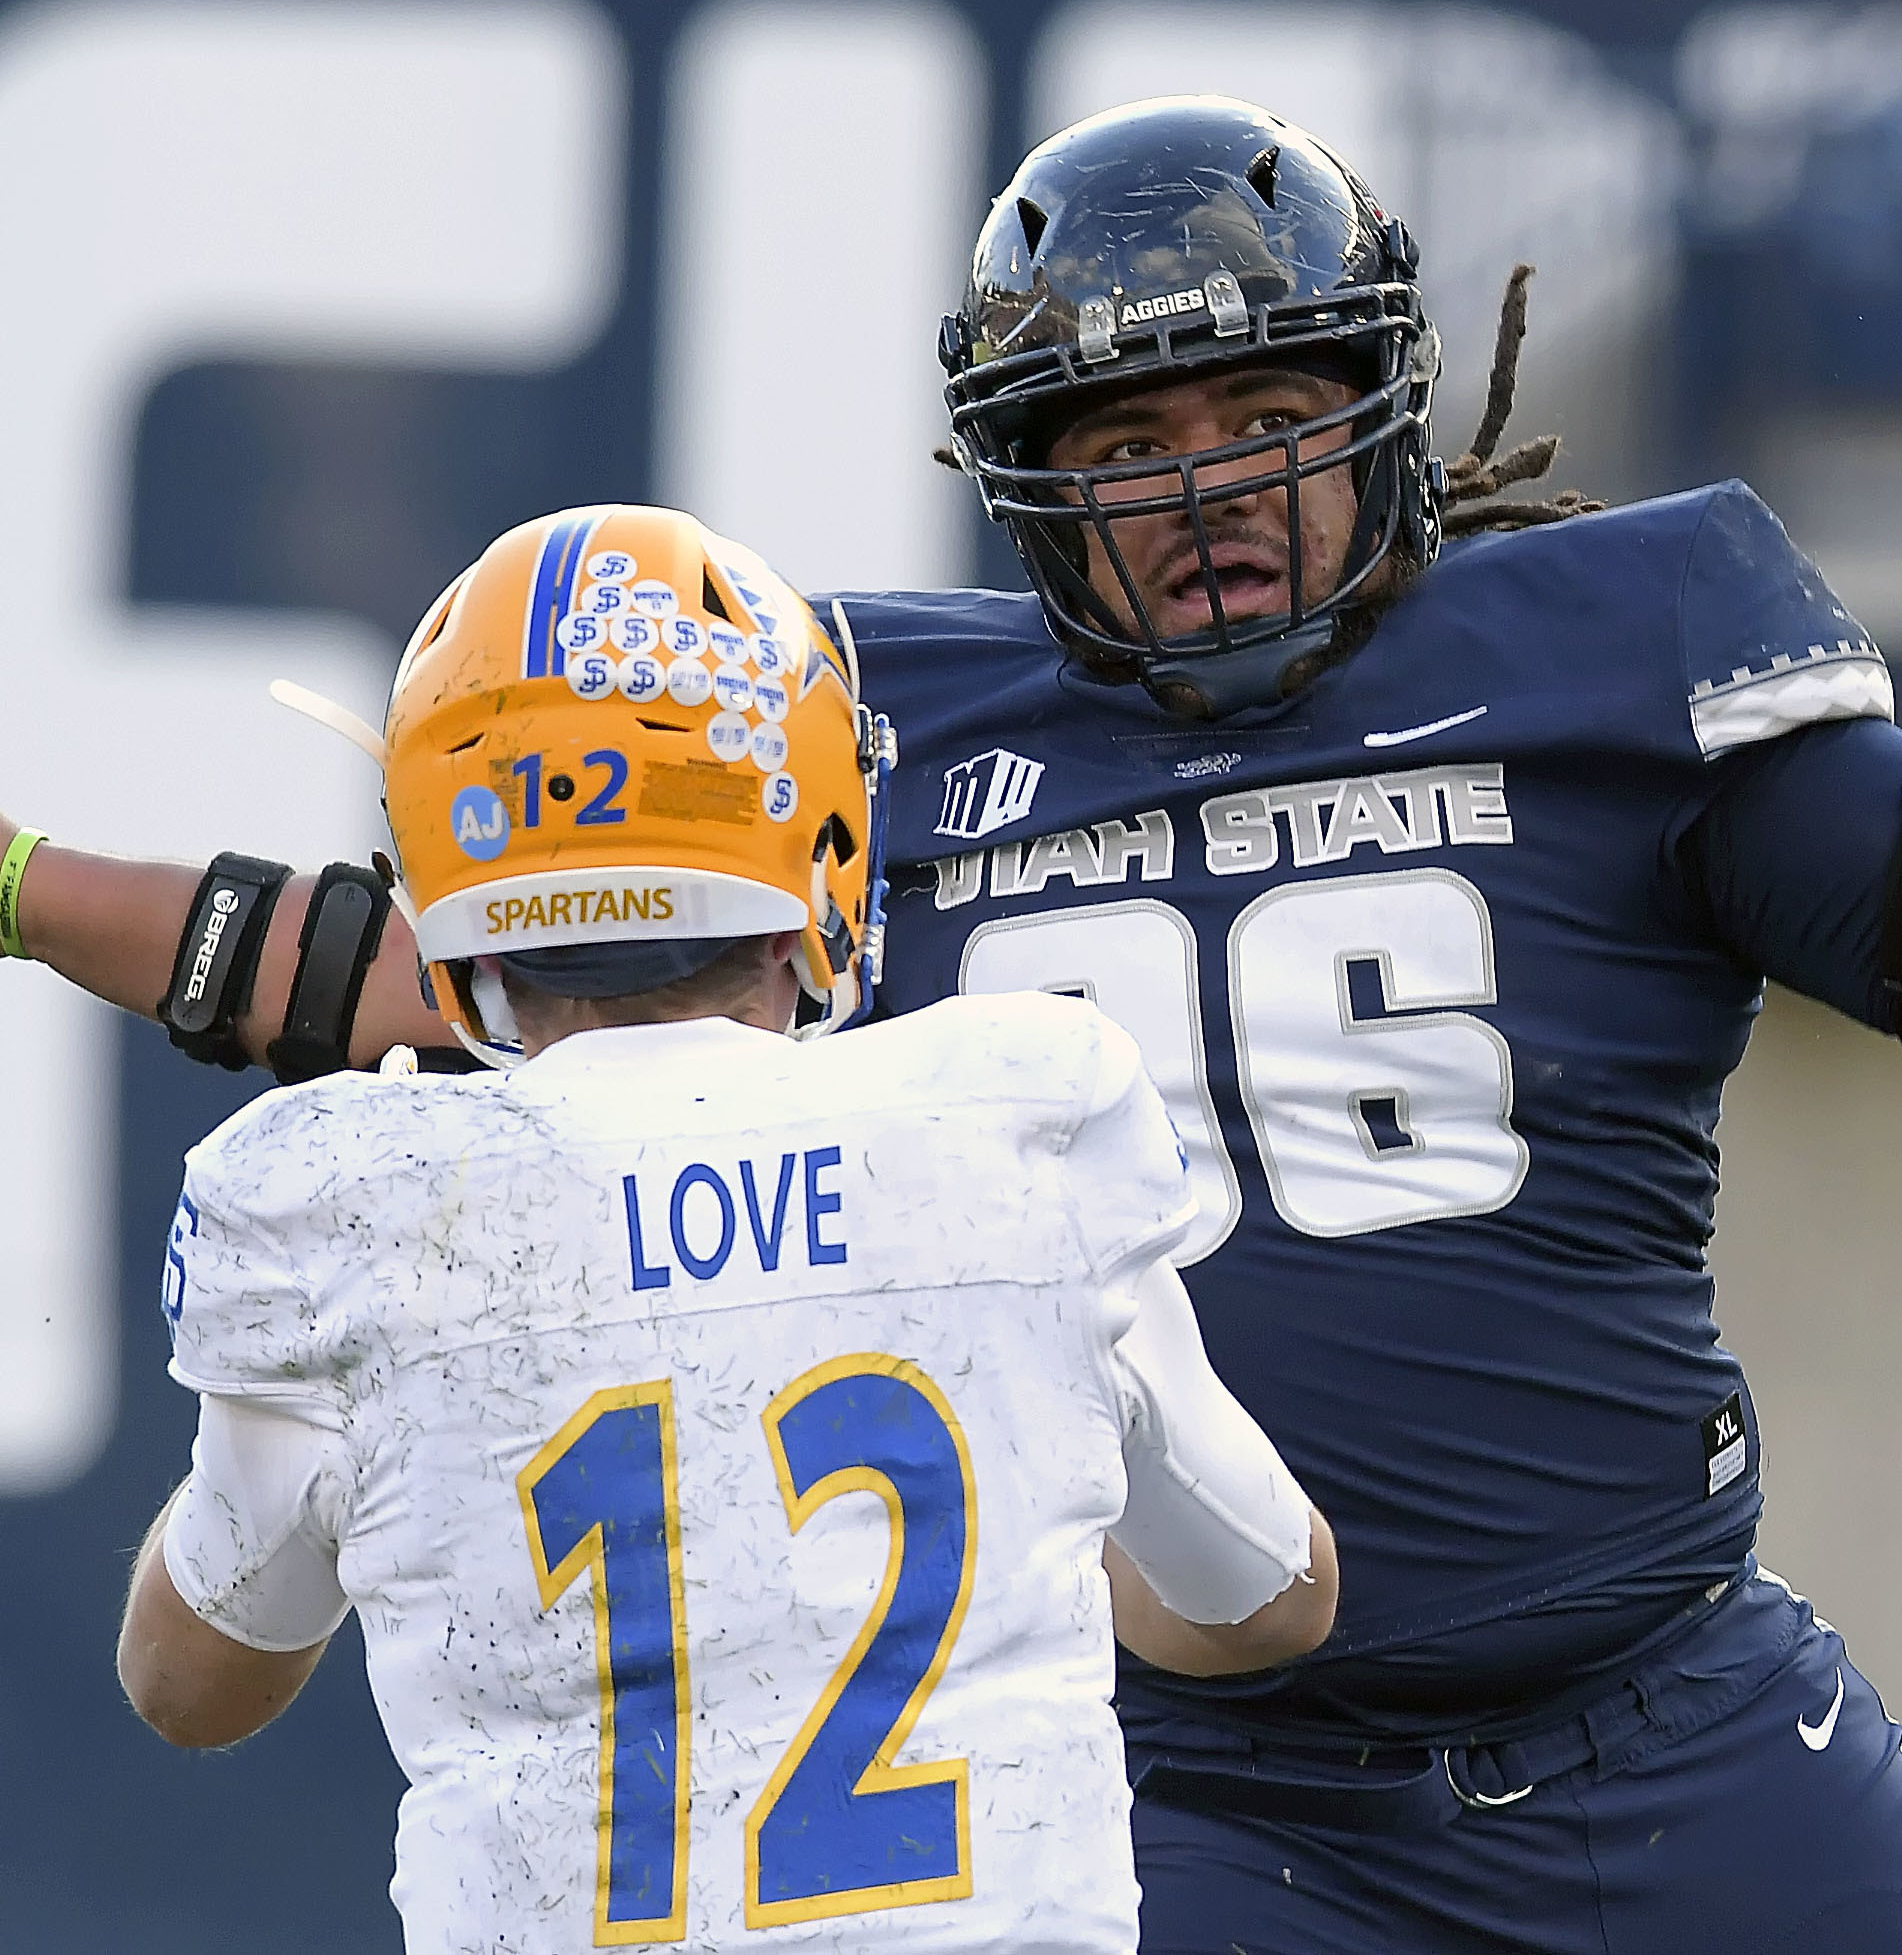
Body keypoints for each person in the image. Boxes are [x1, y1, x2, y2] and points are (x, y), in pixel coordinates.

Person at [7, 96, 1902, 1954]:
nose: (1204, 501)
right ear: (1032, 496)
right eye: (1126, 453)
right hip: (1189, 1781)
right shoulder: (885, 728)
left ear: (1384, 399)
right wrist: (18, 871)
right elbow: (422, 970)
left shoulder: (1615, 639)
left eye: (1256, 412)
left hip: (1663, 1705)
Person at [108, 506, 1335, 1953]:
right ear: (813, 833)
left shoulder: (357, 1207)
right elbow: (1269, 1596)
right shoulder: (1015, 1117)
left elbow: (191, 1682)